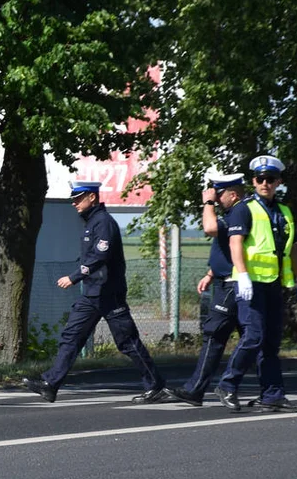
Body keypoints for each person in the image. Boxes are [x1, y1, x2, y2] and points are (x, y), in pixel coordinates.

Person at [24, 180, 166, 404]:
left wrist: (73, 277)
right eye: (73, 200)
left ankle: (155, 386)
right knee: (71, 336)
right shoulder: (91, 222)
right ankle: (51, 384)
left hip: (109, 294)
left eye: (78, 199)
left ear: (92, 197)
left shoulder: (103, 223)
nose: (74, 204)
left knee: (127, 342)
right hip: (92, 294)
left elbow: (100, 257)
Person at [215, 155, 297, 412]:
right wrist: (242, 274)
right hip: (250, 284)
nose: (264, 183)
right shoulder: (244, 209)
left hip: (274, 285)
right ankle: (227, 384)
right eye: (259, 179)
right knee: (253, 337)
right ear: (253, 181)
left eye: (270, 179)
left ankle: (272, 394)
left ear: (278, 181)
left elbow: (293, 249)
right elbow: (235, 244)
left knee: (270, 342)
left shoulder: (285, 212)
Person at [165, 173, 246, 406]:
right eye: (216, 195)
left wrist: (207, 202)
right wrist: (211, 274)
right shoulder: (233, 213)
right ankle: (269, 391)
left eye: (220, 194)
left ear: (234, 194)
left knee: (214, 335)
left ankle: (196, 389)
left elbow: (209, 228)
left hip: (231, 283)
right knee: (251, 338)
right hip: (225, 280)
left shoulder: (239, 212)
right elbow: (223, 247)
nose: (218, 199)